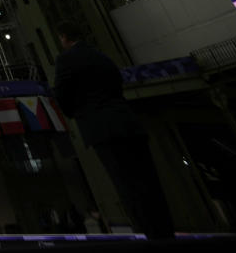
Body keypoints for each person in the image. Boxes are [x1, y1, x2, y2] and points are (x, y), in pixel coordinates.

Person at [51, 20, 174, 239]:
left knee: (127, 185)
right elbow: (117, 85)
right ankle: (165, 232)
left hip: (102, 128)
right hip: (128, 123)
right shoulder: (102, 57)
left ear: (64, 38)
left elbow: (62, 96)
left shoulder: (66, 59)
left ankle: (151, 235)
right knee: (149, 182)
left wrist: (78, 111)